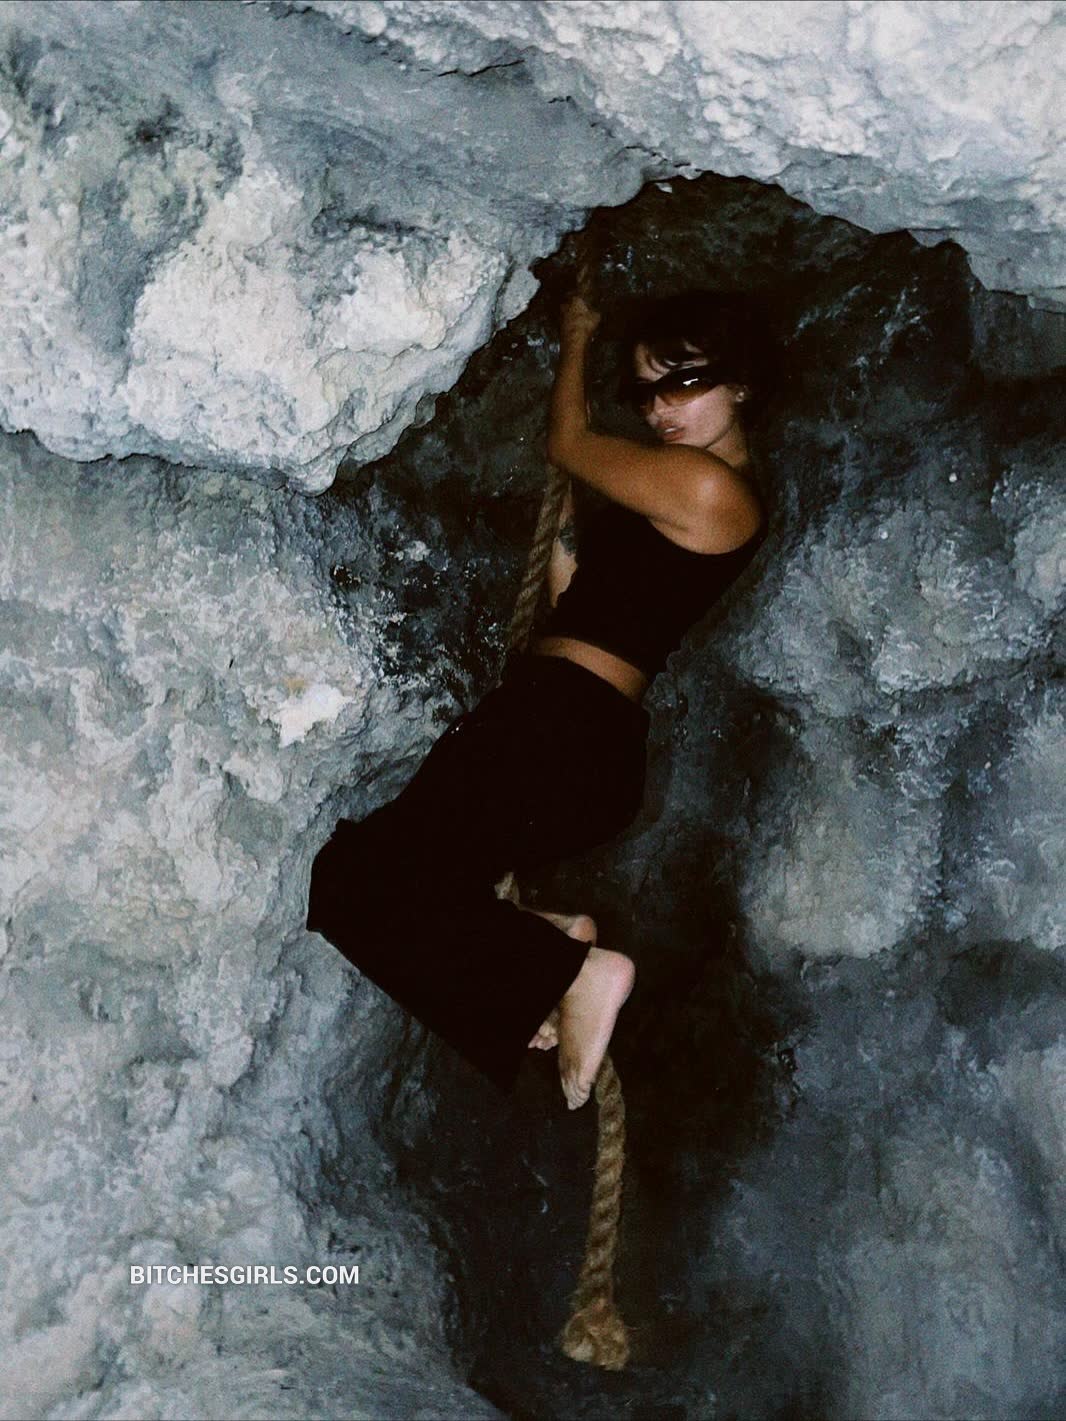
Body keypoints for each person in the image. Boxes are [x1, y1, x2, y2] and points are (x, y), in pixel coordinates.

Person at [305, 287, 771, 1110]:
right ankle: (550, 948)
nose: (660, 408)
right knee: (377, 875)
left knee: (353, 878)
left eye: (684, 381)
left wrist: (579, 336)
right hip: (561, 729)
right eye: (645, 392)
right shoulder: (677, 497)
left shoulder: (712, 491)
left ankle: (579, 972)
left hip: (563, 730)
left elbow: (568, 442)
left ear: (741, 384)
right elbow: (579, 597)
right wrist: (566, 530)